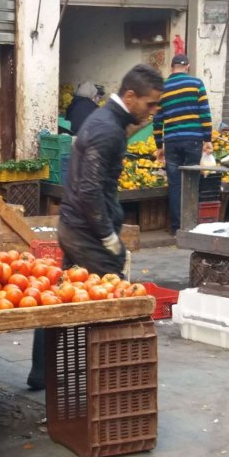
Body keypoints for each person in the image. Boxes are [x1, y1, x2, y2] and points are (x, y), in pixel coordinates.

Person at [27, 65, 164, 390]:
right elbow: (89, 190)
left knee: (59, 298)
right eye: (150, 104)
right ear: (130, 97)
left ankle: (41, 373)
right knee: (112, 301)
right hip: (87, 233)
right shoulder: (106, 129)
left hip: (77, 226)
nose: (153, 112)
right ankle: (109, 378)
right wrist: (108, 237)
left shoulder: (109, 122)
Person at [153, 54, 214, 234]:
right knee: (191, 182)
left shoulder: (162, 89)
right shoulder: (197, 84)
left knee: (175, 184)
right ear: (187, 66)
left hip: (171, 142)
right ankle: (190, 226)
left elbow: (157, 120)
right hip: (193, 140)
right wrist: (207, 139)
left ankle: (176, 227)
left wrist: (159, 146)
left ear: (171, 68)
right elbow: (204, 113)